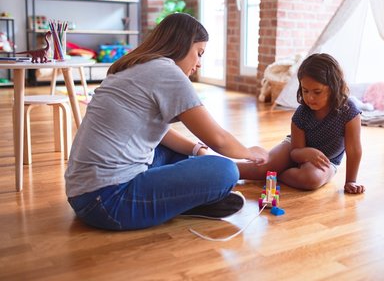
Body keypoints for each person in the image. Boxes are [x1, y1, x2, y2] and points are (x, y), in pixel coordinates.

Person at [65, 13, 268, 230]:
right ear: (181, 45)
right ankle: (187, 200)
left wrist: (197, 149)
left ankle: (181, 200)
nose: (199, 64)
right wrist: (250, 152)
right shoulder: (166, 71)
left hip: (82, 193)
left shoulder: (137, 66)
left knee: (177, 152)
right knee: (226, 171)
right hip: (109, 201)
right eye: (199, 53)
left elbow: (155, 132)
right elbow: (218, 139)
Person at [237, 53, 365, 194]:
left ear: (334, 87)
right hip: (295, 149)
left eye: (317, 92)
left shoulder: (349, 111)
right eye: (305, 90)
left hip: (327, 161)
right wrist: (306, 153)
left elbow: (354, 151)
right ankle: (222, 168)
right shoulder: (302, 112)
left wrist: (351, 181)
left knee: (311, 179)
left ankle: (276, 173)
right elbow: (295, 152)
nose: (310, 97)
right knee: (263, 167)